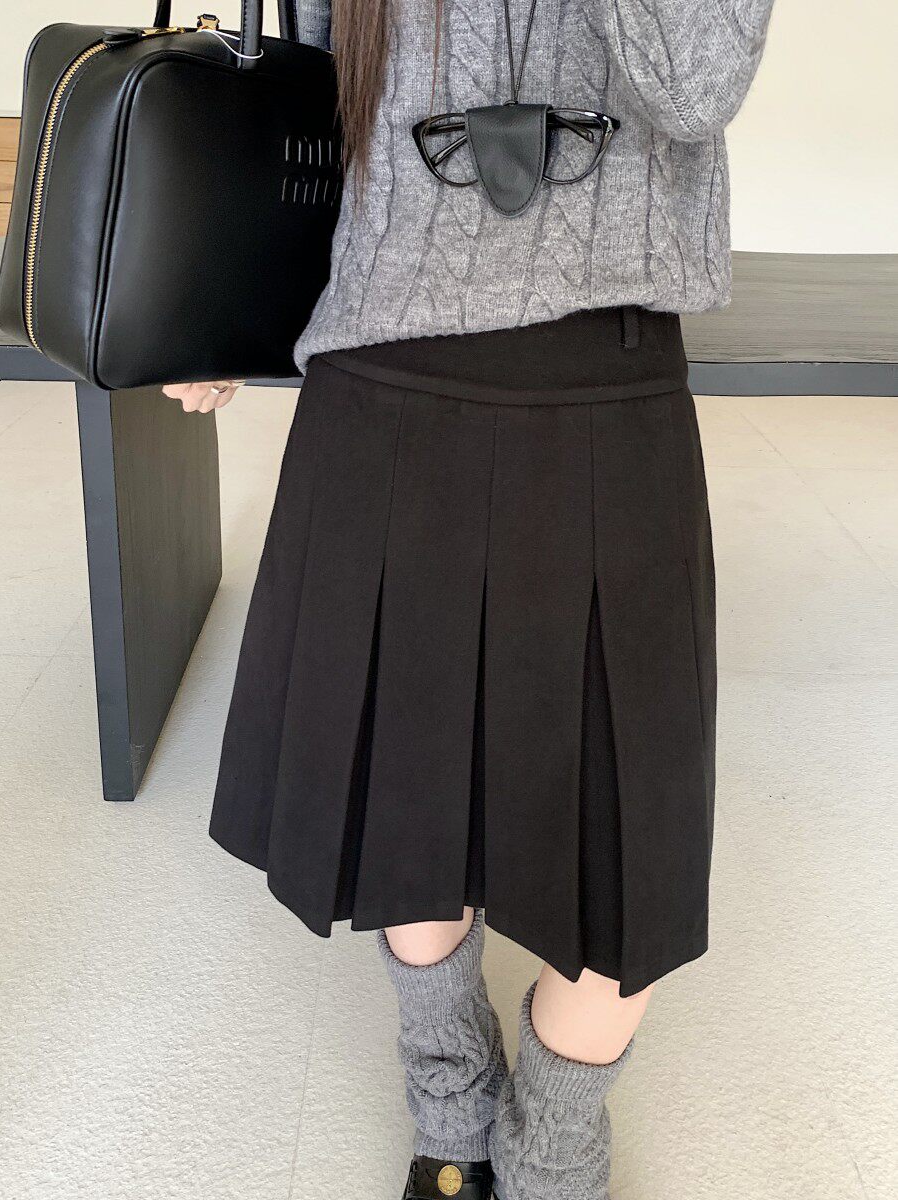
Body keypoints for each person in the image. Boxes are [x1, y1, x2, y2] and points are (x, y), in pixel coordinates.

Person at [163, 2, 776, 1196]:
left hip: (606, 375)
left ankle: (553, 1148)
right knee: (409, 808)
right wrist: (220, 293)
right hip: (382, 373)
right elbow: (313, 86)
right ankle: (450, 1099)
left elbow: (696, 86)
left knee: (629, 860)